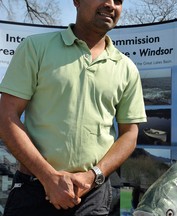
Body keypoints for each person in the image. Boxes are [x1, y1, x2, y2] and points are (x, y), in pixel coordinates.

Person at [0, 0, 146, 215]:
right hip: (34, 189)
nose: (110, 5)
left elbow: (130, 134)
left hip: (92, 195)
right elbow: (6, 117)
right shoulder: (35, 48)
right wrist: (48, 177)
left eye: (118, 1)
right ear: (76, 1)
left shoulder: (127, 68)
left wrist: (92, 176)